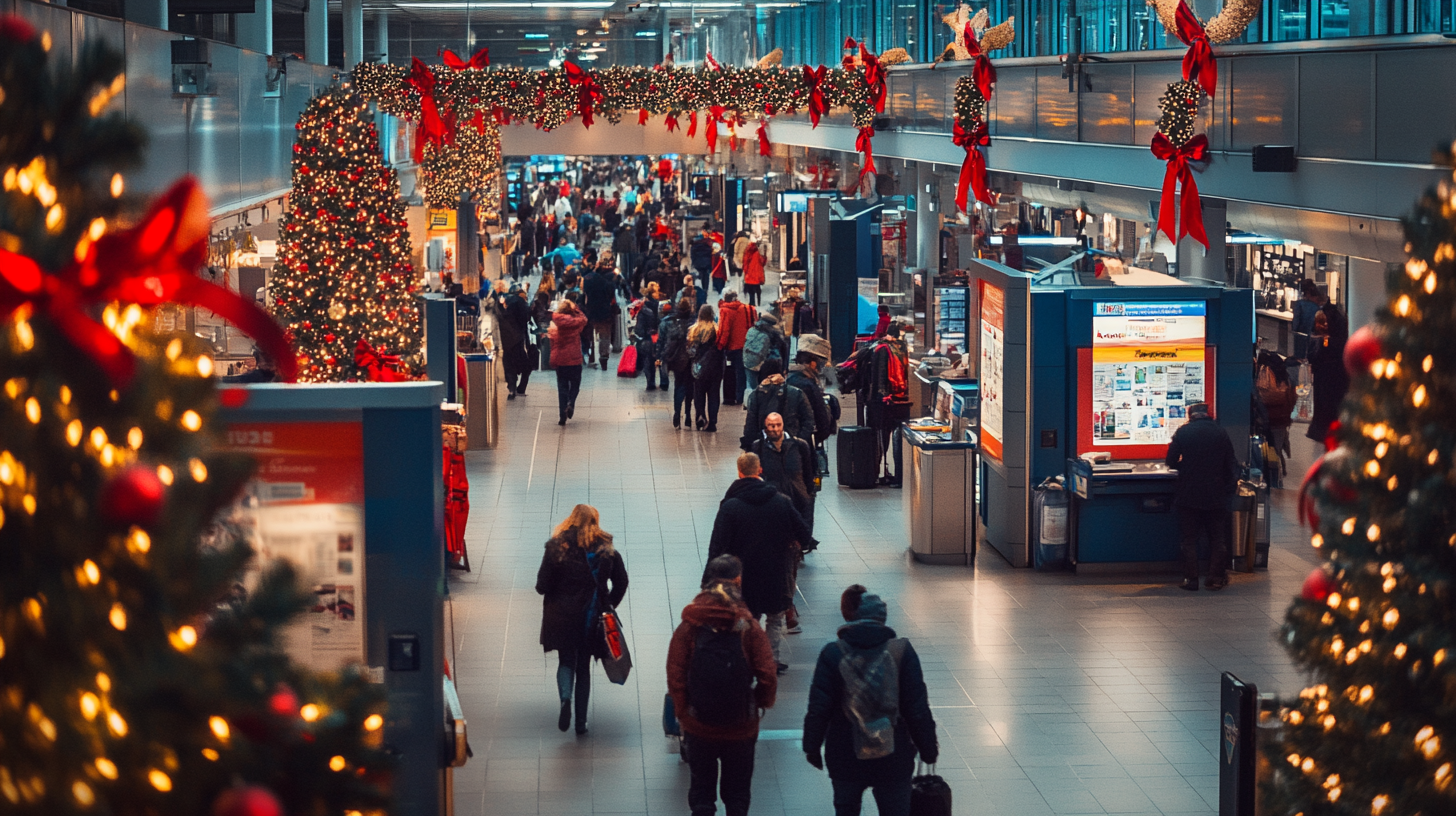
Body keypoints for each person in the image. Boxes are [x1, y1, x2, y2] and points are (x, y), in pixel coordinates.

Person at [803, 586, 938, 816]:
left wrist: (812, 747)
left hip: (845, 753)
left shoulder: (832, 653)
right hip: (893, 754)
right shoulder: (901, 652)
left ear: (854, 616)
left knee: (846, 810)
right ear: (882, 619)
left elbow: (819, 708)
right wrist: (928, 748)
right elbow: (916, 709)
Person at [667, 555, 778, 816]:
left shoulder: (690, 626)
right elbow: (767, 674)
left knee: (702, 793)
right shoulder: (748, 627)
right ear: (738, 580)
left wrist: (684, 713)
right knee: (737, 795)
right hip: (740, 726)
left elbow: (676, 674)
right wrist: (759, 703)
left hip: (699, 725)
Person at [707, 452, 812, 673]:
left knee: (747, 618)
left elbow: (717, 546)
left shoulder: (730, 506)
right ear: (760, 470)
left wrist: (708, 580)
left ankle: (746, 659)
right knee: (775, 619)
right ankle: (770, 661)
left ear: (739, 472)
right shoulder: (781, 501)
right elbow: (804, 534)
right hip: (776, 573)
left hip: (744, 577)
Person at [535, 504, 626, 736]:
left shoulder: (557, 546)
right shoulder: (606, 548)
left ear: (571, 520)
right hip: (591, 615)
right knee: (583, 668)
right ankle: (581, 723)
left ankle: (565, 699)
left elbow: (541, 585)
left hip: (561, 615)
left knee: (566, 661)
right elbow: (621, 581)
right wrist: (609, 604)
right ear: (595, 522)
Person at [1165, 402, 1239, 591]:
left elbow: (1171, 461)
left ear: (1191, 416)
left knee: (1189, 539)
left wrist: (1186, 468)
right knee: (1217, 539)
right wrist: (1229, 489)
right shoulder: (1220, 432)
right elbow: (1231, 464)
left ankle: (1191, 580)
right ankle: (1214, 578)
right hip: (1216, 495)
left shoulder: (1183, 432)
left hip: (1189, 494)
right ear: (1208, 415)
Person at [751, 412, 818, 536]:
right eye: (771, 426)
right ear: (765, 427)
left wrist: (809, 493)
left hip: (798, 496)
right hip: (772, 500)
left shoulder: (799, 445)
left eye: (778, 425)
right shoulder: (758, 447)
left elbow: (809, 471)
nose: (775, 429)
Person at [866, 323, 912, 487]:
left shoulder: (881, 348)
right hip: (901, 399)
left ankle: (880, 472)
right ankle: (893, 473)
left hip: (885, 401)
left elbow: (878, 376)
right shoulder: (901, 349)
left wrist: (879, 395)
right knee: (895, 436)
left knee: (882, 437)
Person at [741, 358, 816, 452]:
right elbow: (809, 421)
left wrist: (752, 447)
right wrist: (798, 442)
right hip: (793, 447)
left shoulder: (756, 395)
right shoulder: (797, 393)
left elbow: (750, 427)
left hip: (764, 448)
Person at [1306, 299, 1350, 445]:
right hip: (1334, 380)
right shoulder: (1340, 342)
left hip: (1323, 380)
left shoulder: (1325, 343)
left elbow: (1313, 357)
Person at [1255, 349, 1296, 486]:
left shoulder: (1265, 373)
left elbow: (1265, 395)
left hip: (1268, 419)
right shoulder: (1284, 376)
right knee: (1276, 449)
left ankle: (1274, 478)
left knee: (1270, 449)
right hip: (1282, 420)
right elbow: (1292, 397)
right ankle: (1279, 473)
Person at [787, 334, 835, 447]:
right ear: (813, 362)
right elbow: (823, 423)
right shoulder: (809, 386)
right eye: (821, 363)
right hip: (807, 443)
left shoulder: (788, 380)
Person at [657, 297, 697, 429]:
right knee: (690, 387)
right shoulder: (694, 322)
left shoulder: (667, 322)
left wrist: (659, 357)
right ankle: (688, 415)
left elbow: (661, 342)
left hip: (675, 359)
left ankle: (677, 413)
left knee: (678, 386)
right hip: (691, 359)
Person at [491, 280, 533, 398]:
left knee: (509, 365)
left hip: (505, 339)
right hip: (517, 339)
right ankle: (521, 388)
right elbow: (525, 319)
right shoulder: (520, 302)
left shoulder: (502, 302)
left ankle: (512, 389)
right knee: (527, 366)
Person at [550, 299, 588, 426]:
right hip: (575, 359)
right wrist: (575, 308)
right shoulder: (576, 323)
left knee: (562, 387)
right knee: (575, 385)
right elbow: (584, 319)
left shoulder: (555, 323)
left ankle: (562, 416)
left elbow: (551, 340)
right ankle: (571, 402)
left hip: (561, 360)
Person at [689, 304, 725, 432]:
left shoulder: (693, 330)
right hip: (715, 367)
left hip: (699, 367)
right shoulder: (717, 331)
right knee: (714, 395)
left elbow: (690, 350)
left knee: (699, 394)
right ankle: (713, 422)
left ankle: (700, 416)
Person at [717, 290, 755, 406]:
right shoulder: (748, 308)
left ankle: (731, 397)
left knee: (730, 372)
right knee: (742, 373)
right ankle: (741, 397)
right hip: (746, 345)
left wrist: (719, 346)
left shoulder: (725, 310)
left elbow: (725, 330)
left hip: (731, 347)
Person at [582, 263, 618, 371]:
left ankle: (590, 356)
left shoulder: (588, 281)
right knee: (604, 337)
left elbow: (584, 295)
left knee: (589, 335)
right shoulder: (608, 284)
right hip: (604, 313)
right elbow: (611, 298)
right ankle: (603, 358)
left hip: (590, 311)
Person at [743, 313, 790, 393]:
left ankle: (753, 401)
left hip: (750, 362)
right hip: (770, 363)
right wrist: (785, 368)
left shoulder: (752, 330)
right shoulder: (775, 334)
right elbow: (784, 352)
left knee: (753, 388)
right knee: (771, 388)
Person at [635, 294, 662, 392]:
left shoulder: (642, 313)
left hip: (646, 340)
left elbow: (639, 329)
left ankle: (650, 383)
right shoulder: (658, 310)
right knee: (658, 361)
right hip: (657, 338)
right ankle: (663, 382)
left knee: (648, 362)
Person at [741, 241, 766, 307]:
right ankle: (758, 302)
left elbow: (745, 264)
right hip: (757, 276)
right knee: (757, 290)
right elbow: (762, 262)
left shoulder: (747, 253)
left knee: (751, 291)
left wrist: (745, 272)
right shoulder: (758, 253)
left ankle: (752, 302)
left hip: (749, 276)